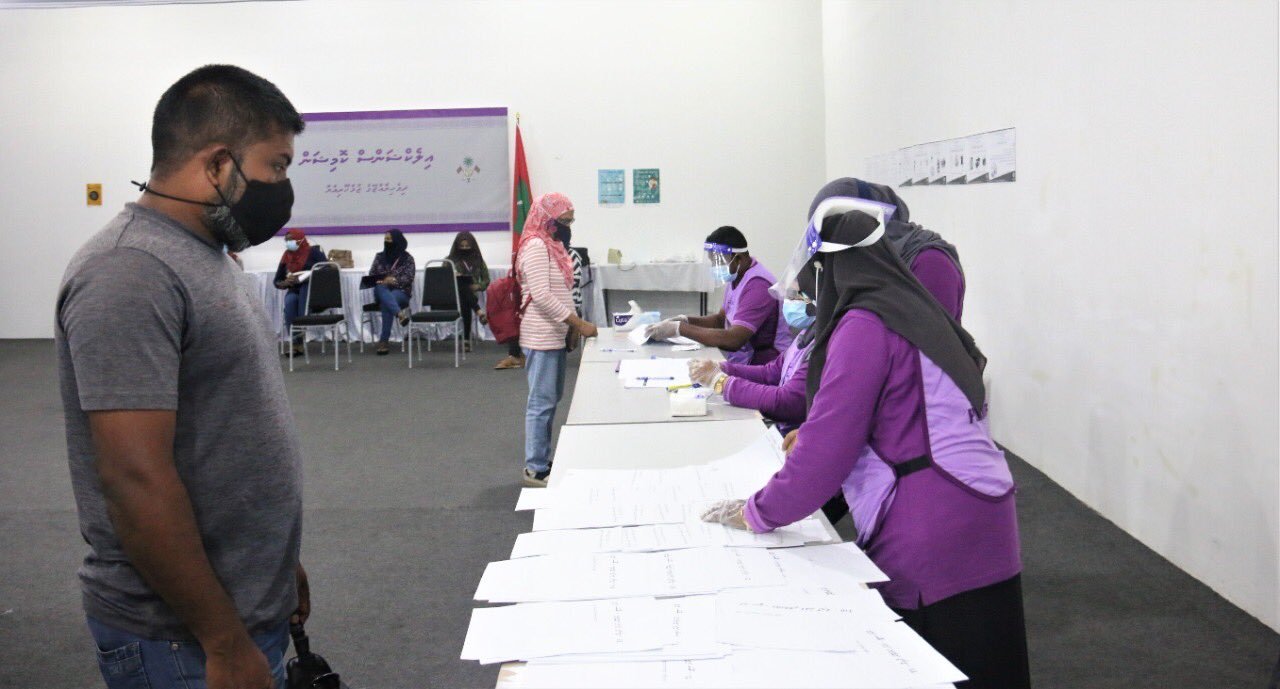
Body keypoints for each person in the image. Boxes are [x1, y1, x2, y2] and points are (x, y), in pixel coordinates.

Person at [699, 204, 1029, 689]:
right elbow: (906, 410)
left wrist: (757, 511)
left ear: (828, 269)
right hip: (984, 512)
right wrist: (825, 433)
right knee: (990, 665)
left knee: (935, 668)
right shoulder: (915, 310)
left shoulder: (863, 325)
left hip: (931, 531)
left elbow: (825, 457)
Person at [56, 64, 309, 689]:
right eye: (276, 166)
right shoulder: (129, 272)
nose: (283, 186)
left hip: (241, 608)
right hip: (182, 641)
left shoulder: (206, 255)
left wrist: (276, 566)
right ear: (219, 164)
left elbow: (226, 424)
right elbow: (134, 479)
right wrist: (224, 641)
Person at [518, 192, 598, 487]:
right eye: (563, 221)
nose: (568, 226)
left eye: (571, 221)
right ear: (546, 219)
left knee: (550, 400)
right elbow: (541, 295)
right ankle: (535, 468)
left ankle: (542, 459)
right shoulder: (536, 246)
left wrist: (571, 328)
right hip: (541, 335)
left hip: (555, 332)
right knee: (541, 402)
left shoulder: (552, 245)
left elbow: (564, 292)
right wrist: (578, 323)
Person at [686, 264, 818, 432]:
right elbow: (770, 373)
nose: (788, 301)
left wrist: (721, 382)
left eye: (794, 295)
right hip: (782, 426)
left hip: (793, 434)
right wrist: (722, 368)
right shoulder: (806, 333)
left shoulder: (824, 344)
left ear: (816, 298)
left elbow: (787, 401)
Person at [645, 226, 792, 364]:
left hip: (768, 365)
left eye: (718, 262)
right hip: (746, 360)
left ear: (739, 259)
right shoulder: (737, 277)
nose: (715, 267)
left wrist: (680, 329)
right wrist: (685, 320)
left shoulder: (758, 285)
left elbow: (735, 339)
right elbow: (721, 321)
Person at [274, 228, 326, 355]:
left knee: (304, 290)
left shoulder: (314, 252)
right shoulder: (286, 255)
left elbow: (327, 269)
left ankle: (301, 331)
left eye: (291, 240)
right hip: (294, 289)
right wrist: (286, 282)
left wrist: (307, 276)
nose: (288, 243)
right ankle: (296, 343)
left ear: (300, 239)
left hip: (313, 290)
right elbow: (277, 280)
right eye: (286, 240)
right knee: (290, 301)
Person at [366, 228, 415, 355]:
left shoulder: (408, 259)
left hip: (401, 292)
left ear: (398, 241)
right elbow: (371, 276)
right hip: (381, 290)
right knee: (381, 287)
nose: (387, 242)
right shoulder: (379, 257)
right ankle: (399, 314)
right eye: (385, 239)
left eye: (389, 239)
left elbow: (409, 278)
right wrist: (383, 280)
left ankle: (383, 341)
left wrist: (393, 280)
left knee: (386, 302)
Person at [447, 231, 490, 352]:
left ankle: (466, 340)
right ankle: (479, 312)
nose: (465, 248)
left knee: (465, 300)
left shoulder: (479, 261)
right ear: (457, 246)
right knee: (460, 283)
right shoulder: (449, 261)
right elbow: (442, 280)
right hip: (452, 295)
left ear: (472, 246)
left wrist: (478, 286)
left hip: (471, 294)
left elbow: (486, 280)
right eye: (462, 246)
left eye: (467, 246)